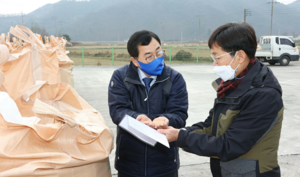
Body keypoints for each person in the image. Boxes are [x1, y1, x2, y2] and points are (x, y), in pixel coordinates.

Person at [158, 22, 283, 177]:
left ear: (240, 56)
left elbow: (230, 145)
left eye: (217, 57)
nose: (214, 63)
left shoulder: (264, 95)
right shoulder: (232, 85)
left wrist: (180, 137)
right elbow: (211, 125)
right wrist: (179, 132)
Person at [108, 30, 188, 177]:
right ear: (135, 61)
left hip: (164, 162)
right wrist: (137, 118)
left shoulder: (175, 78)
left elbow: (180, 114)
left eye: (159, 53)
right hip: (130, 163)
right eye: (149, 57)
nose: (157, 59)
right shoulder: (120, 77)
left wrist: (166, 119)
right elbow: (117, 111)